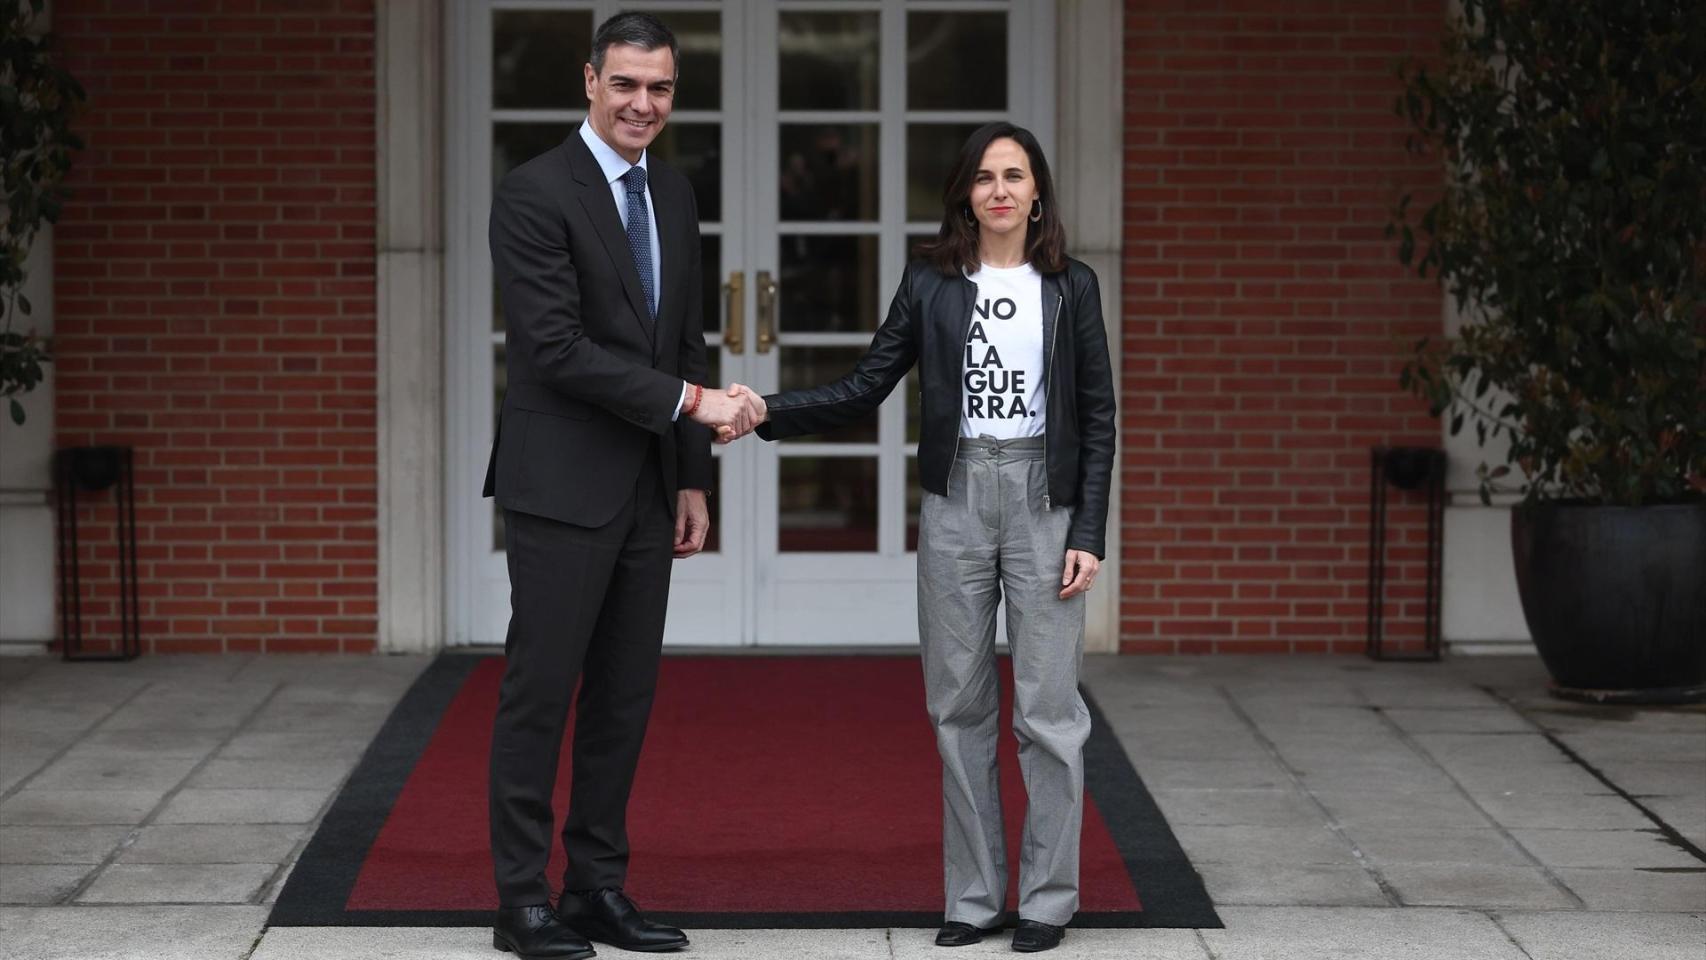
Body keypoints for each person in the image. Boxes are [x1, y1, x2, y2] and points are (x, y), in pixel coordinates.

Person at [730, 122, 1116, 954]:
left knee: (1049, 712)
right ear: (966, 195)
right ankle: (973, 899)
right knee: (957, 706)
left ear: (1037, 193)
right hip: (956, 496)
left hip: (1045, 498)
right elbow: (869, 383)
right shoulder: (931, 282)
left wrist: (1089, 530)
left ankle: (1048, 901)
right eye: (985, 177)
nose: (1000, 190)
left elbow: (1098, 415)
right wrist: (768, 411)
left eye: (1015, 176)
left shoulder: (1071, 287)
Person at [482, 13, 759, 959]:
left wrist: (692, 478)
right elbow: (555, 348)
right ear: (591, 81)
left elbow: (684, 339)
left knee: (623, 699)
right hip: (560, 483)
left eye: (661, 88)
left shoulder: (673, 193)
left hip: (647, 483)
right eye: (628, 84)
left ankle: (596, 887)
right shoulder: (533, 192)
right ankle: (521, 901)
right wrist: (693, 403)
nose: (644, 103)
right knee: (540, 692)